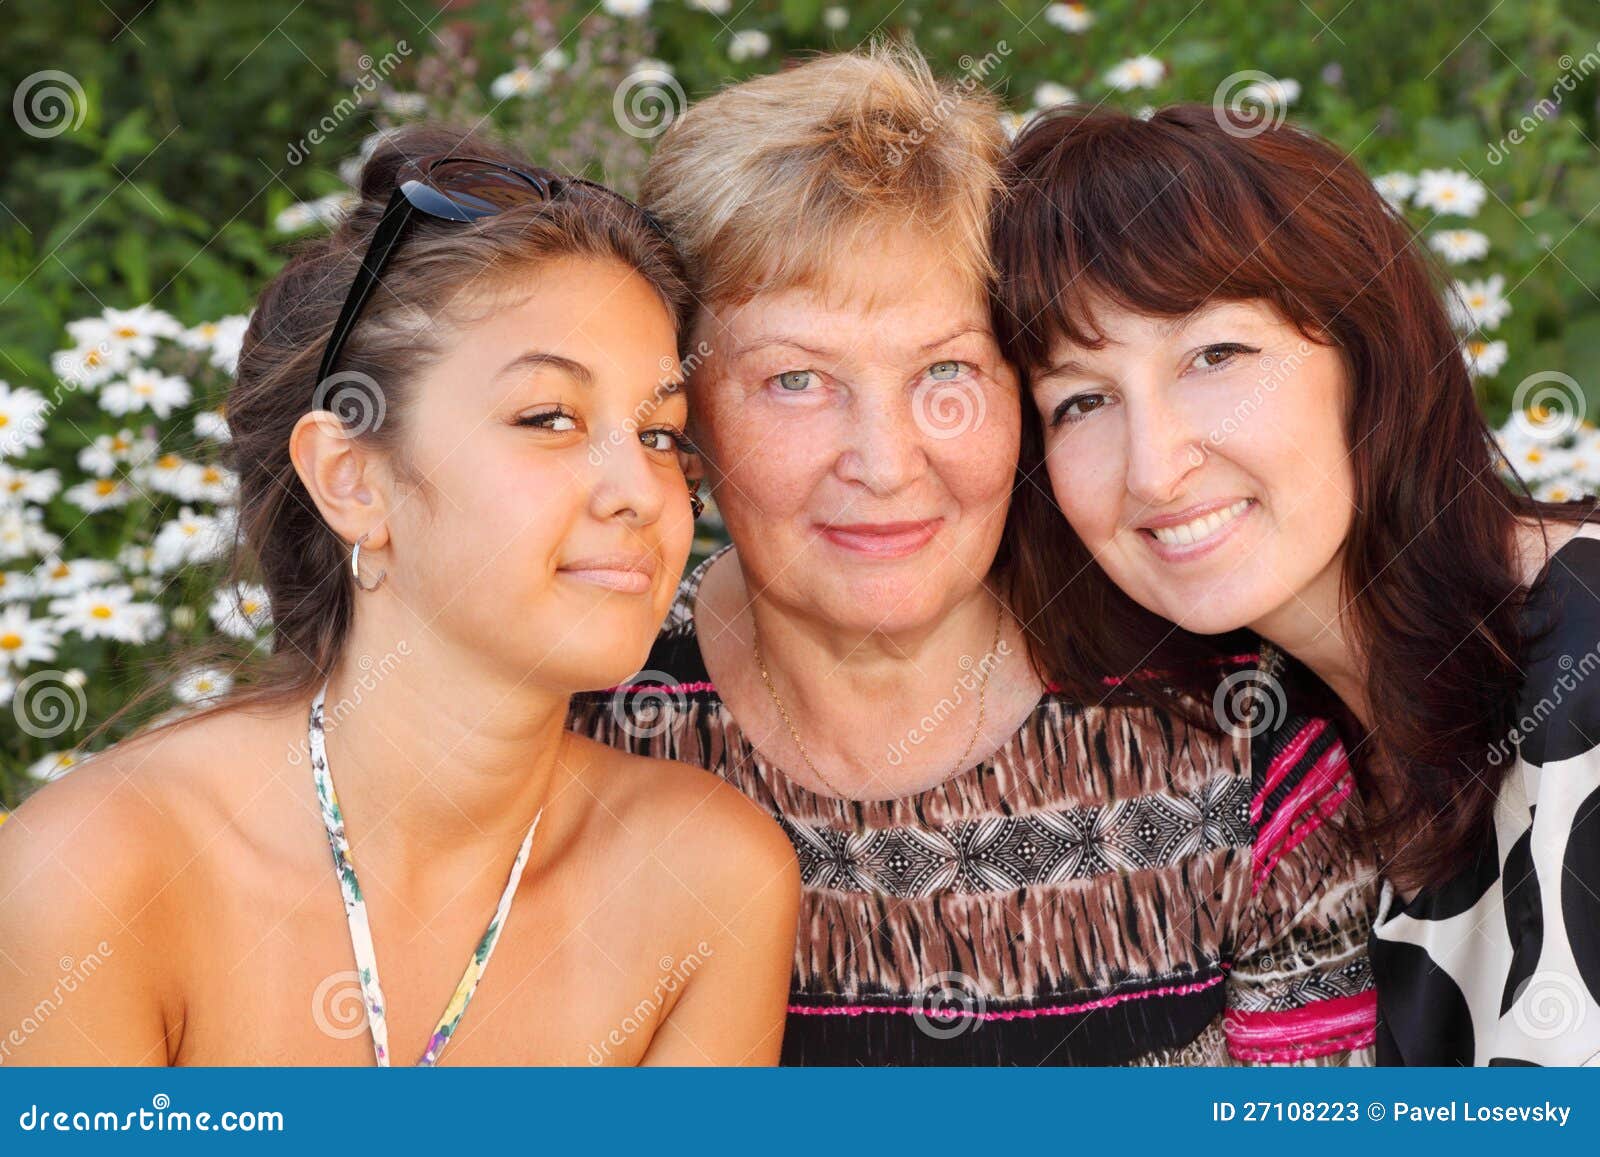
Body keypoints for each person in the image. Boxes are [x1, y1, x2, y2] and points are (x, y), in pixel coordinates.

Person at [568, 47, 1377, 1066]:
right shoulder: (582, 731)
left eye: (947, 369)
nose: (884, 461)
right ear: (685, 416)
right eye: (795, 381)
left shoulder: (1235, 728)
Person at [0, 125, 798, 1066]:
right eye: (549, 417)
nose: (641, 491)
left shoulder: (707, 880)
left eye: (661, 432)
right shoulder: (100, 875)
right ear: (353, 480)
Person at [992, 102, 1600, 1066]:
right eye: (1084, 400)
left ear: (1369, 356)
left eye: (1216, 355)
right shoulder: (1275, 745)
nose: (1153, 468)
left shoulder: (1584, 674)